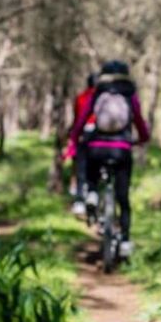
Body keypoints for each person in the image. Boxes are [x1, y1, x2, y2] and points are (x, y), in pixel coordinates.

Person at [66, 60, 150, 257]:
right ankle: (126, 241)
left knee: (88, 162)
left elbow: (82, 118)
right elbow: (140, 123)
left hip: (97, 148)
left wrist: (74, 136)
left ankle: (92, 193)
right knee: (123, 198)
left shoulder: (98, 93)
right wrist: (141, 139)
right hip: (122, 150)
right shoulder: (130, 95)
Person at [69, 73, 98, 217]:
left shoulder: (81, 97)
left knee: (81, 168)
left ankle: (79, 200)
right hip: (101, 137)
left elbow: (77, 119)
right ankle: (94, 193)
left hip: (84, 135)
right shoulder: (103, 98)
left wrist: (74, 136)